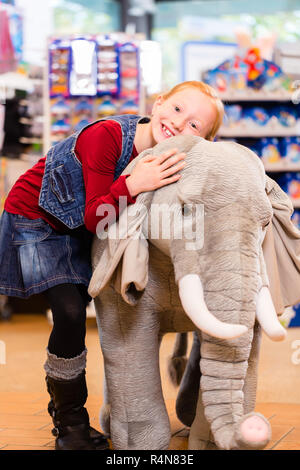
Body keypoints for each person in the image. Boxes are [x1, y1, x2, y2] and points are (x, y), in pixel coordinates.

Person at [0, 81, 224, 450]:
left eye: (196, 126)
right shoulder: (107, 135)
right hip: (38, 218)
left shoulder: (178, 157)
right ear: (159, 104)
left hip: (81, 227)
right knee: (71, 313)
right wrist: (135, 183)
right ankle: (70, 423)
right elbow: (95, 217)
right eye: (178, 109)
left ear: (205, 142)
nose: (180, 125)